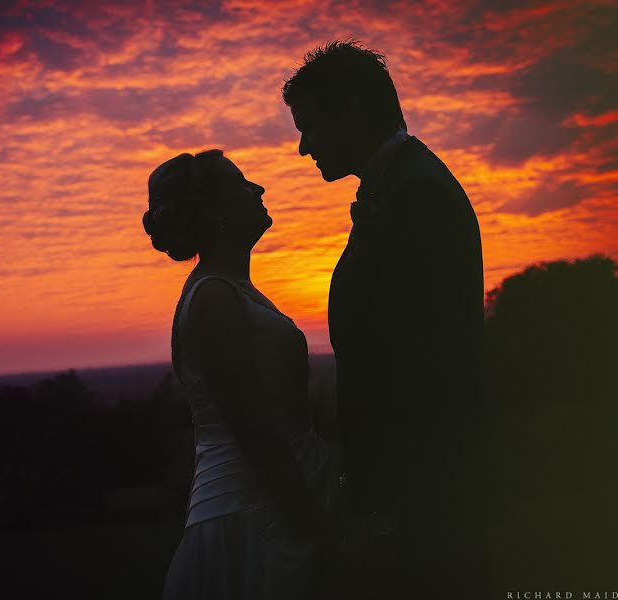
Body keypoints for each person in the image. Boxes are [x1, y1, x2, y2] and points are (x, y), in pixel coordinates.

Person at [282, 41, 491, 599]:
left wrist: (386, 505)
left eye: (309, 127)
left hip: (422, 490)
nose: (304, 148)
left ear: (350, 110)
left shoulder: (417, 193)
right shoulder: (397, 185)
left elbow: (426, 363)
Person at [143, 150, 339, 599]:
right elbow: (252, 428)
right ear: (214, 211)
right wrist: (315, 526)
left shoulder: (232, 289)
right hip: (251, 515)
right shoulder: (213, 297)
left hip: (270, 504)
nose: (259, 189)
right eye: (242, 182)